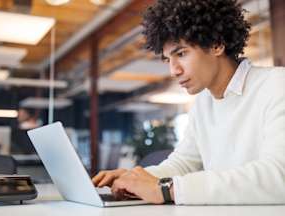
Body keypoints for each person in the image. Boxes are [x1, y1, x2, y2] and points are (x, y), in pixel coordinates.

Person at [92, 0, 285, 205]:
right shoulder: (203, 103)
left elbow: (279, 175)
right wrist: (134, 179)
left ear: (216, 44)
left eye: (181, 54)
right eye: (168, 60)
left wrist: (167, 190)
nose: (174, 70)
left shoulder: (276, 85)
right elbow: (183, 164)